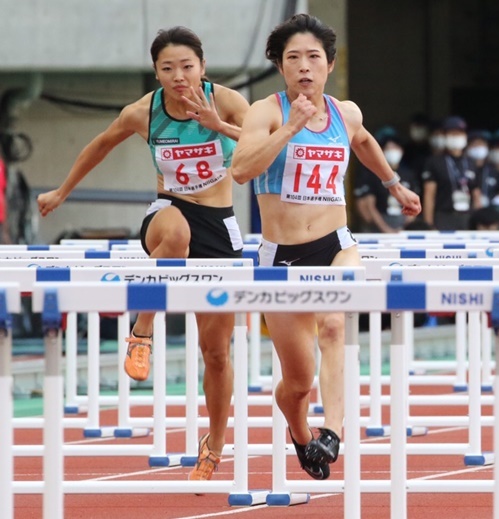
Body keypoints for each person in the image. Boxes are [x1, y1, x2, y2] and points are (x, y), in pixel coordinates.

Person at [36, 26, 250, 482]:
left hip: (221, 225)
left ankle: (214, 442)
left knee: (216, 353)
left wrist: (220, 127)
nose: (178, 76)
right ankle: (143, 331)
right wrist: (62, 191)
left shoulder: (228, 101)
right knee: (173, 233)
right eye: (167, 68)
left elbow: (263, 146)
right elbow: (100, 145)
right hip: (169, 210)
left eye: (187, 67)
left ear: (203, 67)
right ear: (155, 72)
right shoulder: (144, 113)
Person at [231, 13, 421, 480]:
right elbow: (241, 170)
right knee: (298, 382)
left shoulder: (345, 112)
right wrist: (290, 129)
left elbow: (363, 141)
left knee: (335, 324)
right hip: (280, 256)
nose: (304, 67)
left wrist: (393, 185)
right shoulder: (266, 112)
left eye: (313, 57)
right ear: (281, 67)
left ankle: (333, 431)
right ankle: (301, 432)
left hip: (336, 244)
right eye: (293, 58)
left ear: (329, 65)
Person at [421, 116, 482, 230]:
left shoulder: (470, 162)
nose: (456, 137)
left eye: (459, 133)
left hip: (467, 216)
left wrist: (480, 220)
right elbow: (429, 195)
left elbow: (476, 194)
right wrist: (428, 224)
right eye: (452, 133)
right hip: (444, 215)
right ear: (445, 136)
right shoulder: (435, 161)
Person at [353, 127, 420, 233]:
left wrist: (403, 228)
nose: (392, 151)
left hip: (402, 224)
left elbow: (415, 205)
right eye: (388, 148)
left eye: (395, 147)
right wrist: (386, 229)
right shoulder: (371, 174)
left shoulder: (408, 174)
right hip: (379, 225)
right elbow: (368, 206)